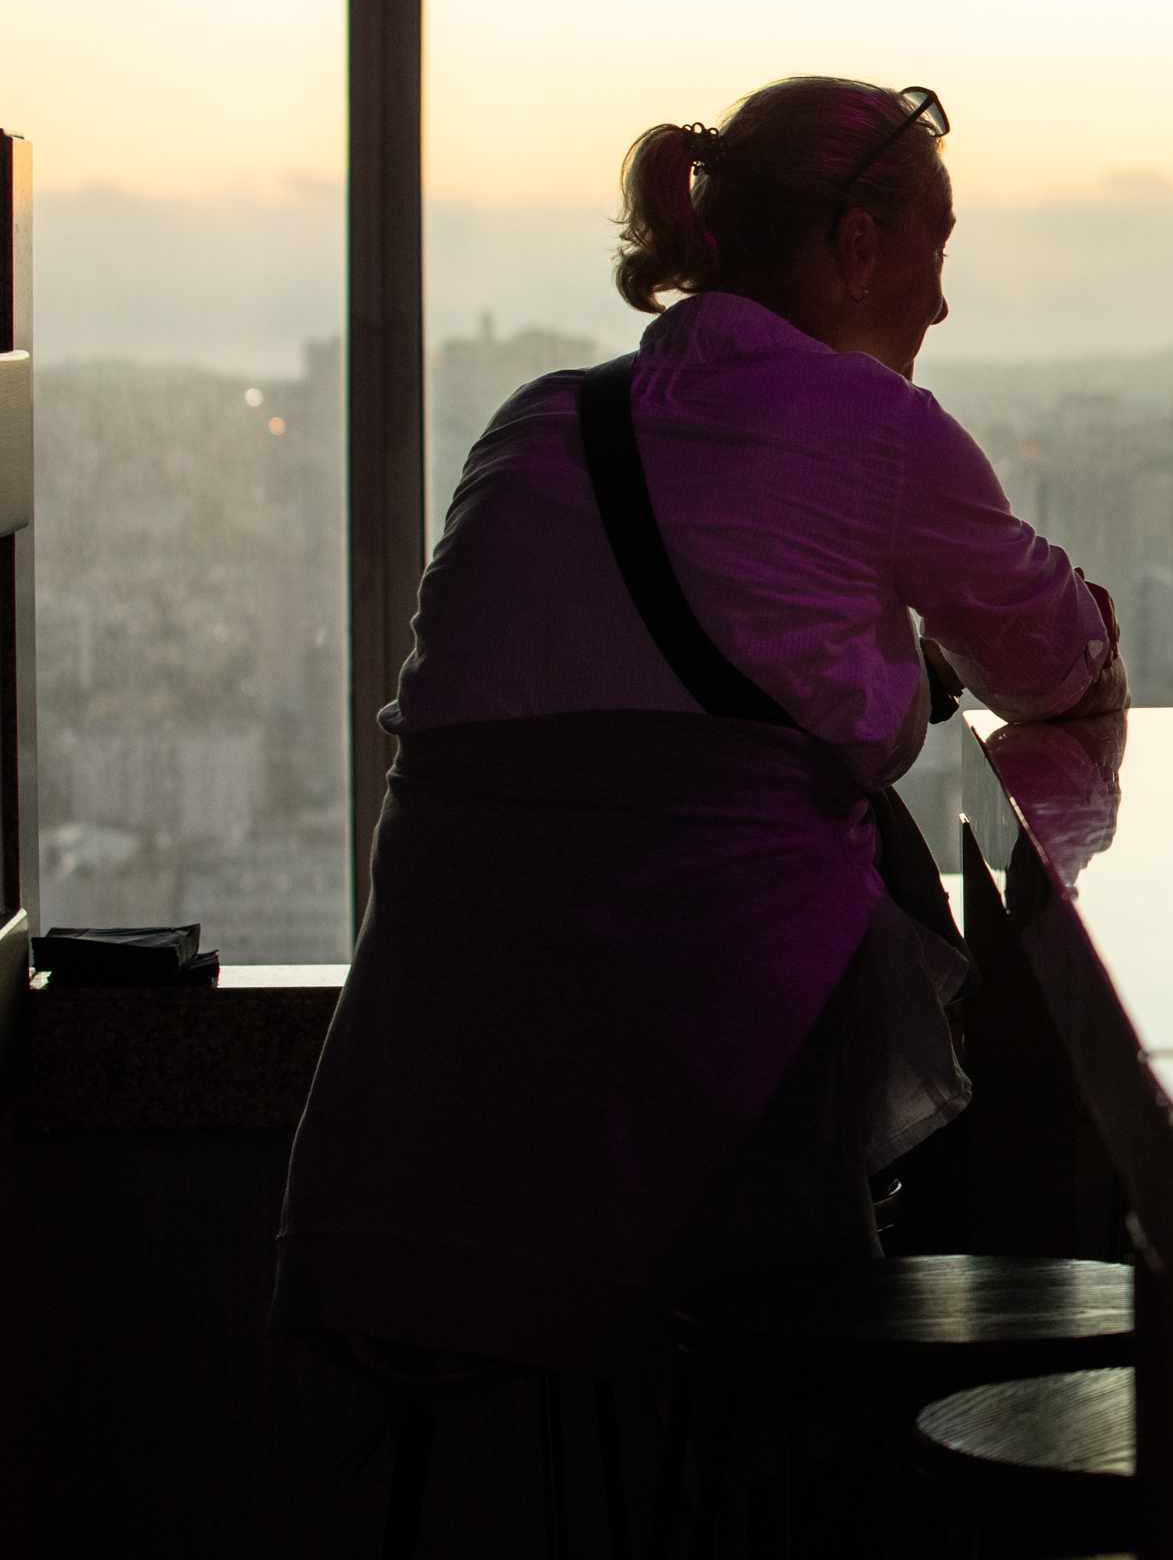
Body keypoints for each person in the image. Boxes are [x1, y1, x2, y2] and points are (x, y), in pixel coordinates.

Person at [275, 77, 1127, 1378]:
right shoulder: (880, 435)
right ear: (855, 248)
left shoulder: (534, 425)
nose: (941, 303)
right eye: (932, 250)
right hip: (720, 1151)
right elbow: (1060, 660)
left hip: (441, 1155)